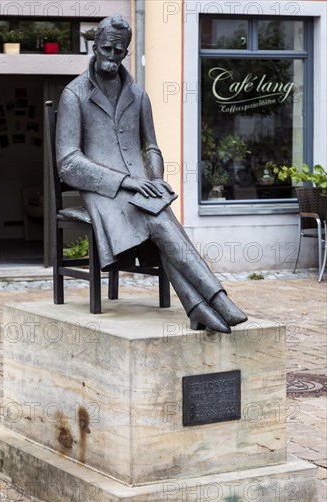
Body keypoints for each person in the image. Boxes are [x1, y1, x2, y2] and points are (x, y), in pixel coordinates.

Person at [56, 15, 247, 333]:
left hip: (141, 188)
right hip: (104, 193)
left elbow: (151, 148)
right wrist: (126, 182)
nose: (112, 57)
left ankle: (198, 306)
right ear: (95, 46)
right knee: (159, 219)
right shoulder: (73, 95)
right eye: (106, 49)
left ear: (126, 52)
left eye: (119, 52)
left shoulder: (138, 96)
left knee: (158, 215)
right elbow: (69, 163)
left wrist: (156, 179)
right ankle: (216, 296)